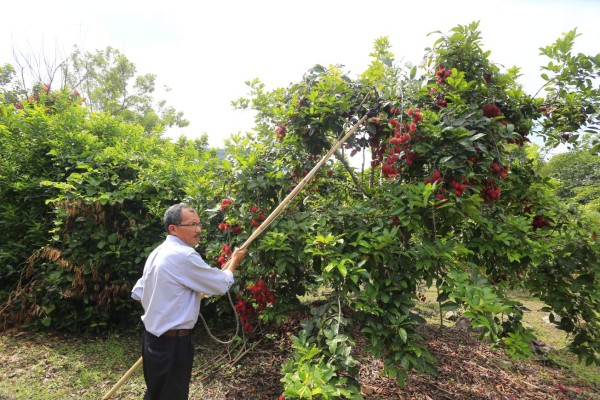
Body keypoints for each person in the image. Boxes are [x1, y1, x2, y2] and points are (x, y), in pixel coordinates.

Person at [131, 202, 247, 400]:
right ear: (173, 229)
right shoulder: (183, 255)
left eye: (199, 224)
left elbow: (139, 293)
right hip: (172, 345)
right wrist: (234, 261)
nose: (198, 230)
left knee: (156, 394)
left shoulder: (158, 252)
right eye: (192, 225)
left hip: (152, 340)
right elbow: (220, 284)